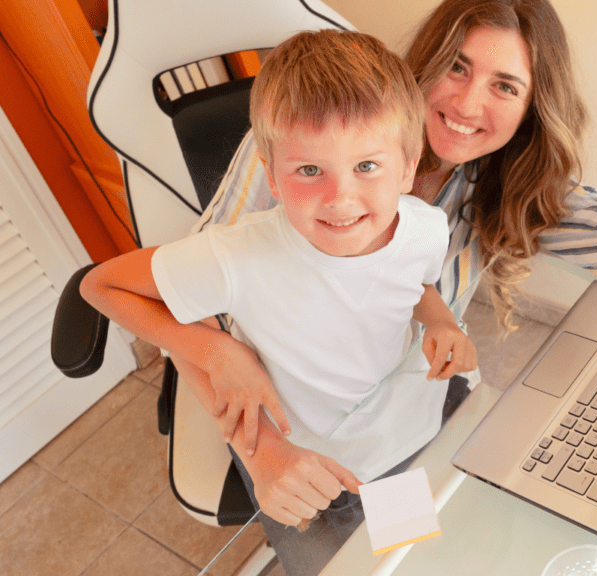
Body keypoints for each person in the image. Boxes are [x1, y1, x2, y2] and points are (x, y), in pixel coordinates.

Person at [182, 0, 597, 567]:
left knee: (430, 550)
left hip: (406, 413)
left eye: (505, 86)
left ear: (530, 107)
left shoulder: (495, 183)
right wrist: (256, 442)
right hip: (299, 427)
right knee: (358, 561)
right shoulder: (304, 152)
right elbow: (179, 301)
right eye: (457, 67)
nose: (466, 102)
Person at [80, 30, 475, 574]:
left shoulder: (425, 229)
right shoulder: (240, 254)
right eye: (309, 170)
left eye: (367, 166)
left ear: (408, 168)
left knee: (402, 558)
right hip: (298, 465)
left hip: (402, 437)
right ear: (272, 175)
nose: (340, 198)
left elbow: (417, 283)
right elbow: (99, 286)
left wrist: (439, 318)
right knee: (339, 567)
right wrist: (216, 351)